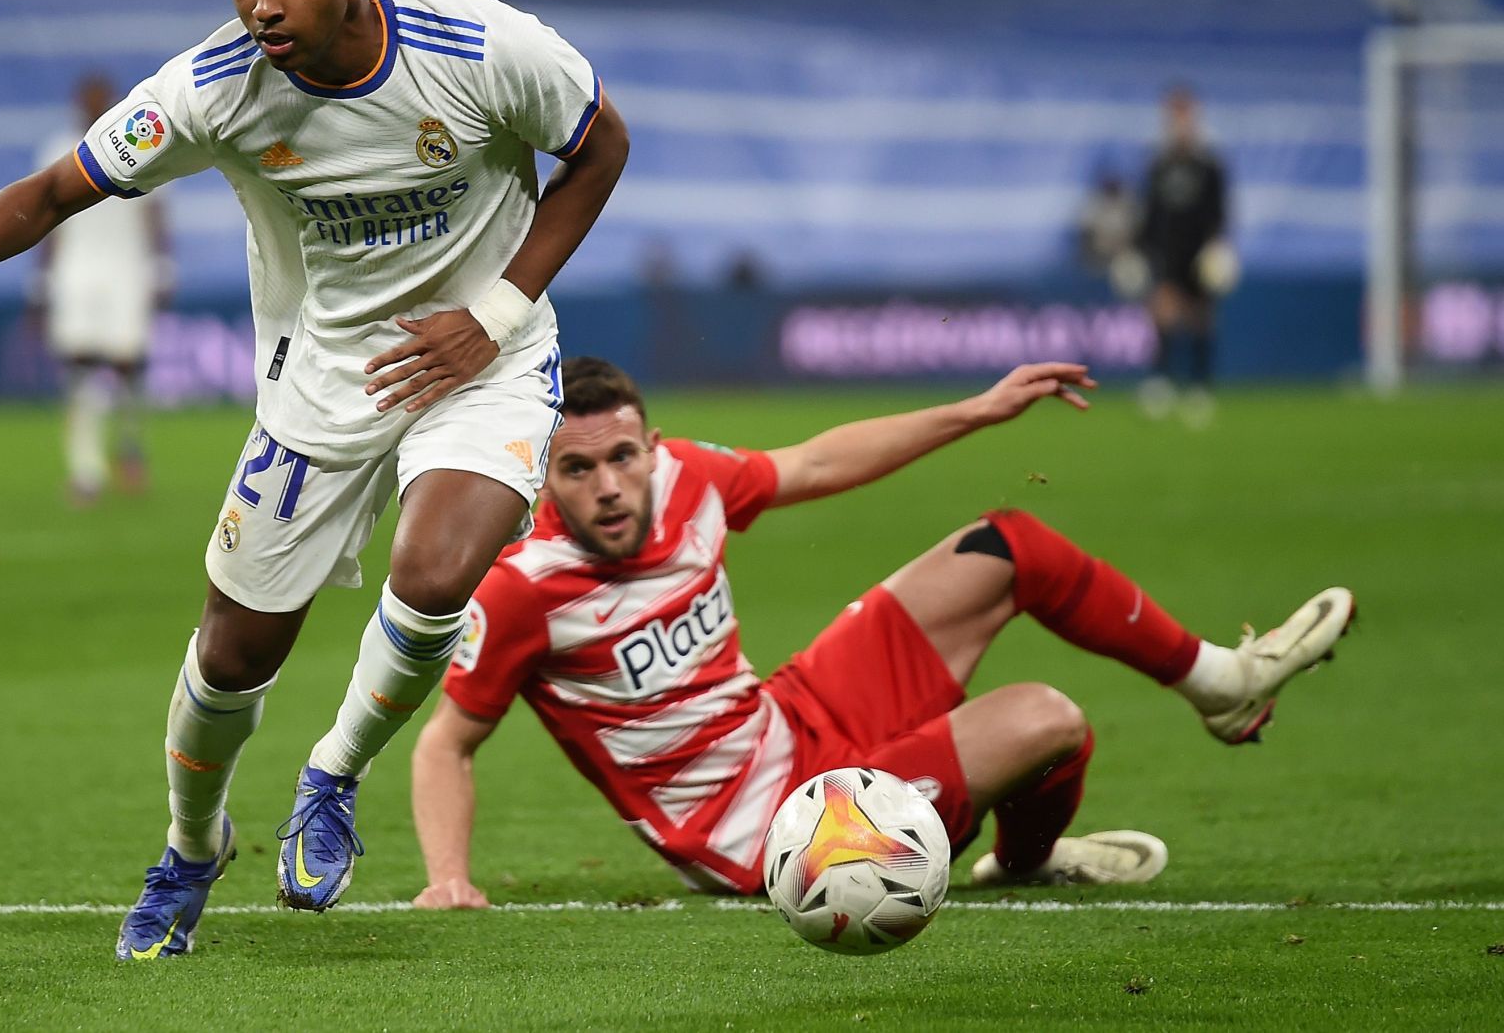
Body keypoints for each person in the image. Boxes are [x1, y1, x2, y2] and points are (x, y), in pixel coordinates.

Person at [0, 0, 628, 956]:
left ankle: (333, 774)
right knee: (233, 654)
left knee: (437, 570)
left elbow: (601, 147)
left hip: (481, 359)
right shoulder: (214, 86)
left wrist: (493, 315)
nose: (263, 4)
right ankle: (191, 847)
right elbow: (61, 187)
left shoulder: (484, 46)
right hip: (322, 382)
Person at [410, 357, 1352, 906]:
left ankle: (1221, 685)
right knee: (1050, 721)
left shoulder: (688, 481)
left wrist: (978, 410)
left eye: (624, 457)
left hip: (790, 719)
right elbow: (448, 741)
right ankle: (1023, 864)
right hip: (773, 832)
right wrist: (448, 878)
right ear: (542, 474)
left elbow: (818, 460)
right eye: (577, 470)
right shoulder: (525, 589)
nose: (610, 486)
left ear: (653, 448)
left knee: (1008, 546)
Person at [30, 75, 172, 503]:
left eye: (100, 98)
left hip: (128, 270)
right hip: (76, 272)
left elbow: (155, 213)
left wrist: (162, 267)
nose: (93, 105)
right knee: (79, 367)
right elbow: (47, 216)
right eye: (87, 99)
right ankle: (86, 469)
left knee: (128, 363)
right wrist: (42, 279)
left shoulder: (141, 143)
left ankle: (130, 449)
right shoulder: (58, 149)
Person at [1136, 86, 1233, 423]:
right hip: (1166, 249)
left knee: (1201, 317)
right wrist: (1137, 251)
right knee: (1162, 312)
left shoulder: (1209, 164)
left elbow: (1220, 210)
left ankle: (1200, 385)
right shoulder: (1157, 164)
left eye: (1183, 114)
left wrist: (1218, 245)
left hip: (1199, 249)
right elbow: (1148, 212)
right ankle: (1161, 380)